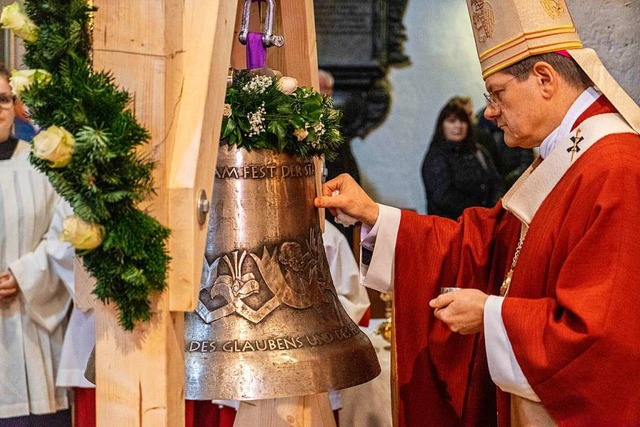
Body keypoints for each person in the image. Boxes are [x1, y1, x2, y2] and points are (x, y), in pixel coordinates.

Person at [314, 0, 640, 425]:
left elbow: (603, 335)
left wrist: (491, 314)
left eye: (498, 93)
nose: (489, 111)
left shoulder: (616, 167)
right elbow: (489, 244)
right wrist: (376, 215)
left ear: (544, 79)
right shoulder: (567, 156)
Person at [0, 63, 73, 425]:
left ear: (14, 104)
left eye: (2, 99)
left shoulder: (43, 165)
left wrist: (25, 274)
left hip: (34, 333)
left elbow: (66, 233)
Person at [421, 100, 504, 218]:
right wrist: (479, 212)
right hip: (451, 228)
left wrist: (492, 210)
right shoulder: (436, 156)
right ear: (442, 126)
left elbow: (497, 182)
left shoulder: (479, 152)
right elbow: (443, 198)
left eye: (462, 121)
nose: (458, 126)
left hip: (486, 224)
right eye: (451, 121)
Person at [476, 105, 535, 188]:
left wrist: (508, 180)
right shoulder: (480, 130)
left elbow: (527, 161)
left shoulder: (516, 128)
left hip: (515, 183)